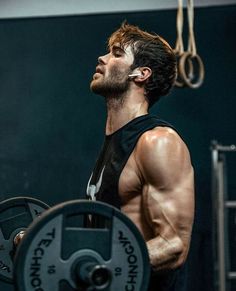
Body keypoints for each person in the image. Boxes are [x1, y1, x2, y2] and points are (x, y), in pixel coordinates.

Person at [87, 22, 194, 291]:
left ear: (142, 74)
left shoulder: (157, 142)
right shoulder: (114, 141)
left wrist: (97, 267)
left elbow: (174, 246)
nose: (103, 58)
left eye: (117, 53)